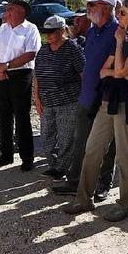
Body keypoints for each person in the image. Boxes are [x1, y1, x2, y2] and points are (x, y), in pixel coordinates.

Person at [63, 0, 128, 222]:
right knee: (92, 149)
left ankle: (125, 204)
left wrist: (120, 49)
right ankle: (84, 199)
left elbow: (119, 69)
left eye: (123, 13)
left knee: (125, 156)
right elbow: (106, 71)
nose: (118, 15)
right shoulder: (119, 37)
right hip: (108, 98)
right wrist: (119, 70)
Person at [54, 0, 118, 200]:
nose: (88, 9)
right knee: (80, 140)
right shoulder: (92, 32)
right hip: (86, 95)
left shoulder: (118, 32)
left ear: (107, 8)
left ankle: (103, 183)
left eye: (93, 5)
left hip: (107, 97)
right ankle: (74, 181)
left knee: (106, 145)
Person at [0, 0, 41, 171]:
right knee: (3, 115)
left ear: (21, 11)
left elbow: (31, 54)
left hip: (21, 75)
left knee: (22, 116)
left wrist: (6, 66)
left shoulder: (31, 29)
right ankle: (6, 154)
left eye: (10, 9)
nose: (6, 12)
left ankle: (27, 158)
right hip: (1, 75)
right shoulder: (3, 28)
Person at [34, 15, 85, 179]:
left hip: (68, 101)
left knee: (65, 137)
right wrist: (36, 97)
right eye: (46, 32)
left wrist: (85, 99)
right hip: (47, 100)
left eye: (52, 32)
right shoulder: (43, 50)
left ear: (62, 31)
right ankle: (53, 163)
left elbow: (83, 74)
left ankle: (62, 168)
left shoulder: (72, 49)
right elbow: (38, 76)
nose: (48, 35)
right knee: (47, 135)